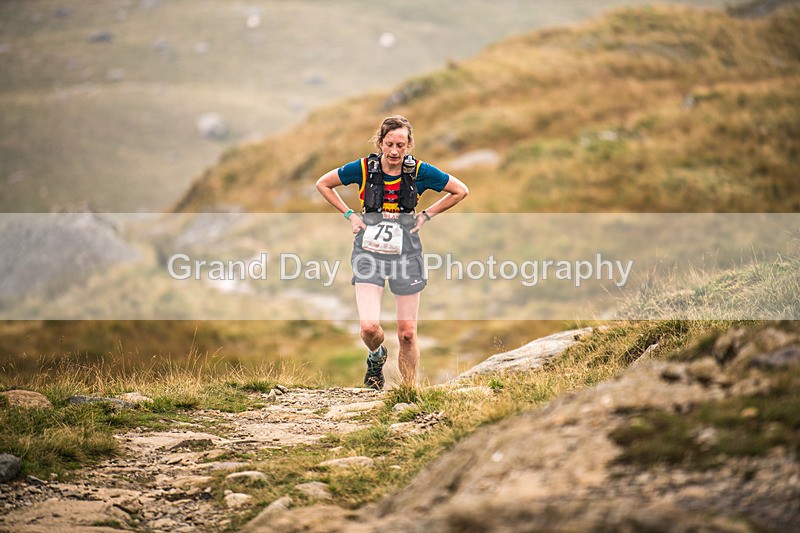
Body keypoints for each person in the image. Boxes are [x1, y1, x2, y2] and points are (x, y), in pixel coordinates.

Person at [316, 115, 468, 389]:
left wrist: (426, 216)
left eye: (400, 144)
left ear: (409, 144)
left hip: (406, 254)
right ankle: (376, 357)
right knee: (369, 328)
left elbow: (460, 190)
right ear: (380, 143)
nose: (394, 151)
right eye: (389, 144)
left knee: (407, 334)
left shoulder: (420, 171)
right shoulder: (363, 168)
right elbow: (323, 184)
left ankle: (407, 393)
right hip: (368, 253)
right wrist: (350, 215)